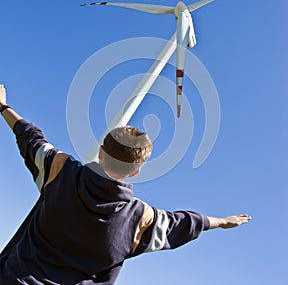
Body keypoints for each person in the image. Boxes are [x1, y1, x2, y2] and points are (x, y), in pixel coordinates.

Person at [0, 84, 251, 285]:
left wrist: (2, 106)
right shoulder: (138, 220)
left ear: (100, 152)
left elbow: (29, 136)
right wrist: (221, 221)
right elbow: (185, 222)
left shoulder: (60, 171)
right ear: (136, 172)